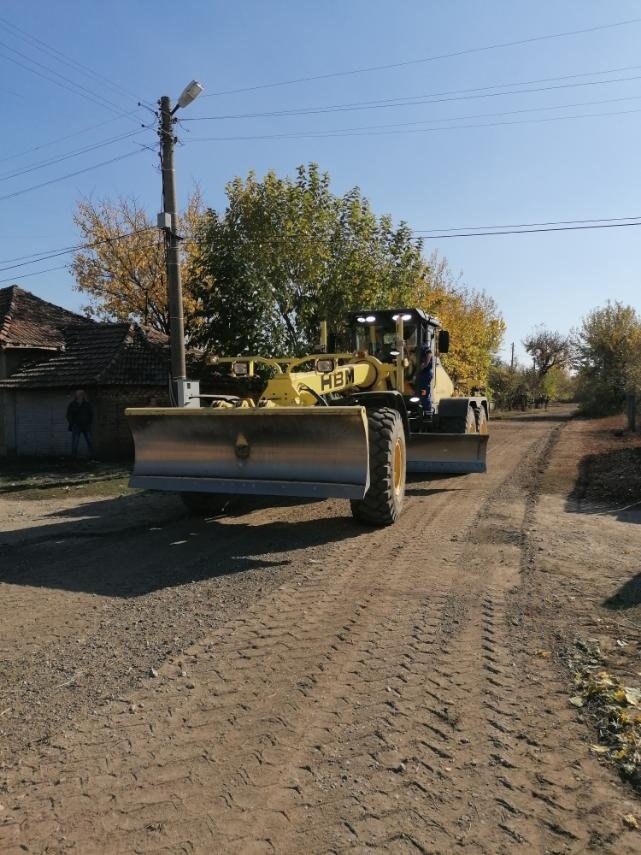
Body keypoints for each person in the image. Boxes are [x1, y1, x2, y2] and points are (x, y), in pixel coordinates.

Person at [66, 389, 95, 458]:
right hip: (76, 426)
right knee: (75, 442)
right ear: (76, 395)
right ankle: (73, 457)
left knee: (89, 441)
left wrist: (88, 423)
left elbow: (91, 414)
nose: (80, 396)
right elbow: (68, 415)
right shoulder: (72, 404)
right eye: (79, 394)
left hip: (86, 426)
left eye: (82, 394)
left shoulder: (87, 404)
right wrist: (72, 423)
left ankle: (92, 456)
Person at [415, 345, 434, 413]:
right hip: (421, 374)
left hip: (425, 373)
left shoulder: (424, 347)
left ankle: (427, 412)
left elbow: (429, 354)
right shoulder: (413, 348)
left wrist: (425, 364)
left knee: (424, 393)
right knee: (420, 392)